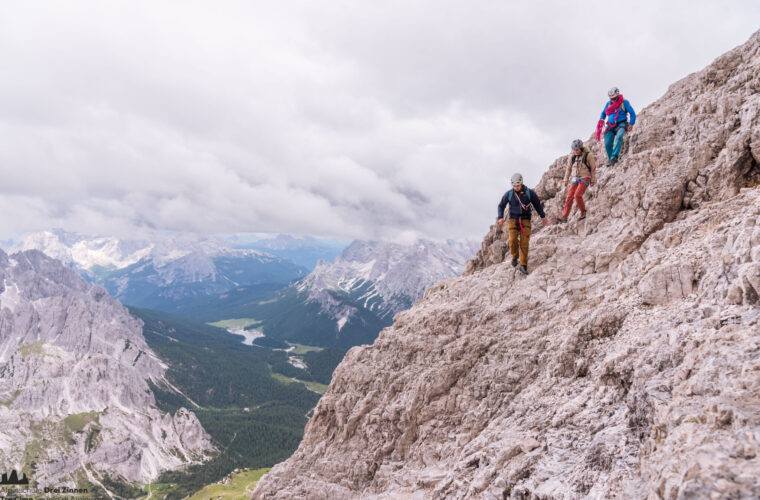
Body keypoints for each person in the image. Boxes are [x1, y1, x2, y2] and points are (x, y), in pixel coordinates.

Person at [497, 173, 548, 275]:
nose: (516, 187)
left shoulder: (529, 193)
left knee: (524, 244)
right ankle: (515, 257)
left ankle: (523, 265)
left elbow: (537, 204)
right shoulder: (509, 194)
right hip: (513, 220)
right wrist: (500, 217)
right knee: (512, 241)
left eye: (518, 185)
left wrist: (543, 216)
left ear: (521, 183)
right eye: (514, 186)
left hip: (525, 221)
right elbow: (501, 205)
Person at [557, 139, 596, 223]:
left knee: (577, 195)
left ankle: (583, 212)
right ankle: (565, 216)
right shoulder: (572, 156)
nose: (576, 151)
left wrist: (593, 180)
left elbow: (593, 168)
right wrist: (566, 179)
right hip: (575, 178)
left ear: (581, 148)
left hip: (585, 177)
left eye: (577, 150)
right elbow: (568, 168)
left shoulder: (588, 155)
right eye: (574, 150)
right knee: (569, 197)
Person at [596, 86, 636, 166]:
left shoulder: (624, 103)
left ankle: (614, 156)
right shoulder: (608, 104)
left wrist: (631, 123)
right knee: (607, 143)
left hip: (621, 124)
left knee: (619, 137)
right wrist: (601, 119)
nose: (613, 100)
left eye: (614, 98)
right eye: (611, 98)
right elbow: (603, 113)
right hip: (610, 126)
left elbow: (632, 114)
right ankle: (612, 161)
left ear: (617, 96)